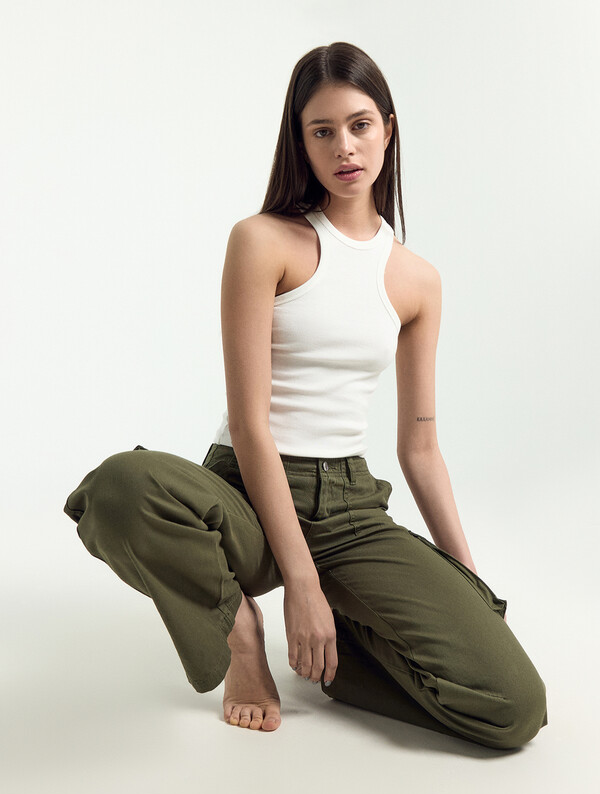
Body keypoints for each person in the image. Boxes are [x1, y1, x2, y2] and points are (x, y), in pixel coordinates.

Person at [63, 41, 548, 749]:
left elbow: (420, 448)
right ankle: (241, 638)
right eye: (322, 131)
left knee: (513, 708)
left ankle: (340, 657)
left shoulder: (418, 281)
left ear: (388, 129)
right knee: (120, 488)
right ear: (301, 143)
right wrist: (301, 583)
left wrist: (469, 587)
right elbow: (251, 424)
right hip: (247, 491)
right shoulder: (263, 241)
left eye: (359, 125)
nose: (344, 147)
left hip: (350, 512)